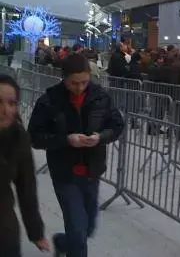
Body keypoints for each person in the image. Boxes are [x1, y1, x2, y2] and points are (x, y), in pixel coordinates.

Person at [28, 54, 125, 257]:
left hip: (92, 171)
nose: (79, 87)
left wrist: (101, 137)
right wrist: (66, 139)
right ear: (64, 79)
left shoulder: (101, 97)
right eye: (74, 83)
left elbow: (116, 125)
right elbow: (35, 136)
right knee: (78, 232)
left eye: (84, 82)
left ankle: (63, 242)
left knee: (87, 228)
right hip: (65, 173)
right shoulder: (50, 100)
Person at [0, 75, 50, 257]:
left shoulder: (19, 137)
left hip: (4, 231)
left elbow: (26, 187)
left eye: (11, 103)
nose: (5, 110)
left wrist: (36, 232)